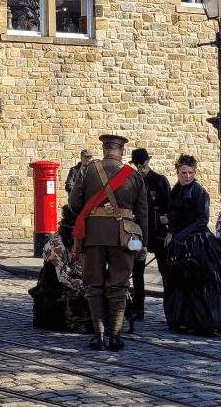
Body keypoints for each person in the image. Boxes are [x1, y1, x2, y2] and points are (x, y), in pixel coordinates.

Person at [70, 134, 148, 352]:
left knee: (93, 285)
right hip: (124, 237)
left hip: (93, 236)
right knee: (119, 286)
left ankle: (99, 335)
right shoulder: (133, 175)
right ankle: (115, 336)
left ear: (104, 150)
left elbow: (75, 204)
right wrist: (143, 243)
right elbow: (143, 213)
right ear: (121, 152)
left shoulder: (88, 170)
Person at [162, 154, 221, 335]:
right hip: (179, 243)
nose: (187, 176)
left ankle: (204, 321)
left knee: (200, 282)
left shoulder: (200, 192)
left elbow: (202, 219)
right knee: (179, 283)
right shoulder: (175, 191)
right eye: (183, 173)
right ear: (177, 172)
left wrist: (182, 235)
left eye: (190, 173)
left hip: (198, 243)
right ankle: (182, 319)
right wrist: (167, 224)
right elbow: (173, 213)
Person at [33, 205, 90, 333]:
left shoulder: (74, 245)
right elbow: (63, 276)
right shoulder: (57, 244)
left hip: (69, 286)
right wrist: (85, 285)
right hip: (55, 293)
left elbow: (79, 269)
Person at [131, 148, 170, 321]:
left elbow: (170, 206)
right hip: (138, 235)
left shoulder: (160, 180)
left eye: (143, 164)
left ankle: (170, 308)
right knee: (137, 270)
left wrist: (168, 225)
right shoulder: (132, 182)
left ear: (148, 162)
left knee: (165, 270)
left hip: (158, 234)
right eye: (138, 164)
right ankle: (138, 308)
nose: (141, 167)